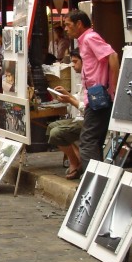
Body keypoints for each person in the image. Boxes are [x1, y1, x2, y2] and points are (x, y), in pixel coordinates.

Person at [63, 10, 119, 167]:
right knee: (94, 141)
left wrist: (112, 86)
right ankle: (96, 182)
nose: (65, 29)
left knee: (87, 142)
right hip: (95, 97)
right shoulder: (85, 40)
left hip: (99, 97)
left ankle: (91, 183)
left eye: (68, 25)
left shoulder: (90, 37)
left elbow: (112, 56)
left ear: (79, 24)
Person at [50, 50, 85, 179]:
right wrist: (67, 95)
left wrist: (70, 99)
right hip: (80, 117)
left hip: (88, 119)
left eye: (75, 62)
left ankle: (76, 162)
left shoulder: (92, 78)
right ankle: (75, 161)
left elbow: (86, 107)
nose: (72, 65)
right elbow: (80, 98)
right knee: (51, 127)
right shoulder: (84, 77)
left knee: (57, 133)